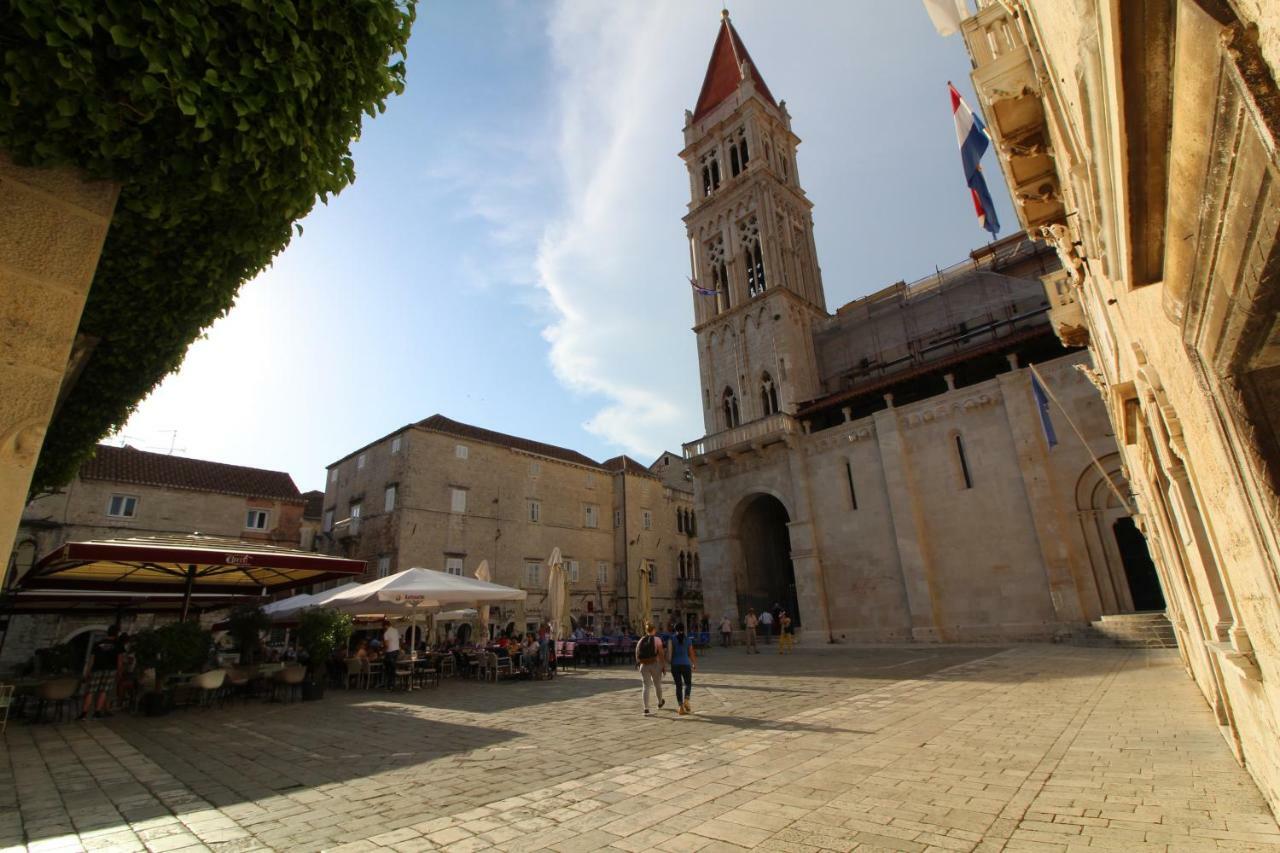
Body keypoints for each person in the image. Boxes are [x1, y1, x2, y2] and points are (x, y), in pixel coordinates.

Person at [81, 625, 122, 720]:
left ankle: (84, 713)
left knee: (90, 691)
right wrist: (119, 673)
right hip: (110, 670)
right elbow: (119, 661)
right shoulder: (118, 645)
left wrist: (88, 671)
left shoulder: (97, 643)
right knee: (103, 691)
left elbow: (92, 659)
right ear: (116, 634)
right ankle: (97, 712)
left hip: (96, 669)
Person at [634, 623, 666, 716]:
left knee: (646, 686)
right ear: (654, 630)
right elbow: (661, 653)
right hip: (654, 664)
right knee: (657, 684)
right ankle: (660, 702)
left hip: (643, 665)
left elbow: (637, 653)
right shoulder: (657, 639)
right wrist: (663, 665)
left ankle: (646, 708)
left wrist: (638, 664)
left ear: (646, 630)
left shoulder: (641, 640)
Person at [667, 623, 698, 715]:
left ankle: (680, 707)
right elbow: (691, 653)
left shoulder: (672, 639)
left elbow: (669, 652)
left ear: (675, 629)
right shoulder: (688, 640)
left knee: (678, 686)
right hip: (685, 664)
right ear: (684, 629)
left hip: (675, 665)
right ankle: (686, 700)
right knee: (688, 683)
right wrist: (693, 663)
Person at [381, 619, 400, 691]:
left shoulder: (386, 633)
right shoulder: (395, 630)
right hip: (396, 651)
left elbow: (386, 645)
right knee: (393, 669)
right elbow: (399, 639)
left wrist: (383, 651)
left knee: (388, 669)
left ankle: (389, 685)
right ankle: (392, 685)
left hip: (390, 652)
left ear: (385, 626)